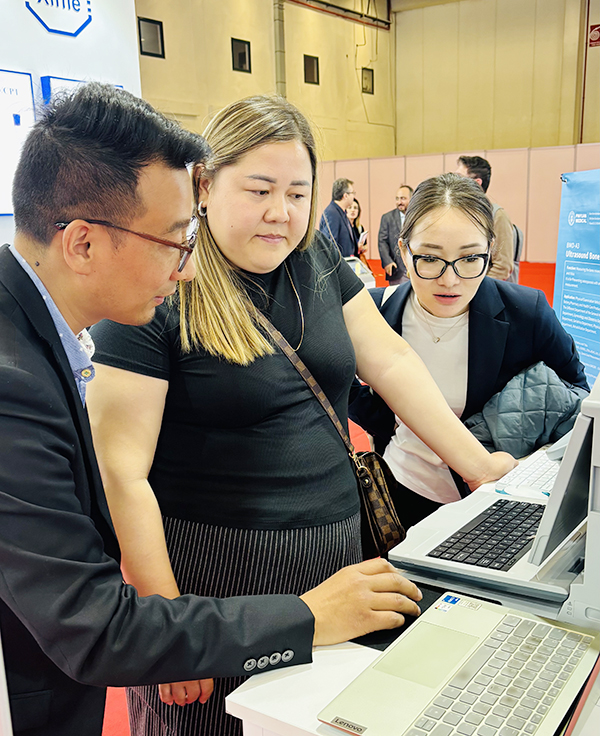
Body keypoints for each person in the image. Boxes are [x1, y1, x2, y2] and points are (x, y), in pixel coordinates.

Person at [0, 84, 425, 736]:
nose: (188, 268)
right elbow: (94, 625)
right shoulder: (15, 386)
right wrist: (309, 616)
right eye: (175, 240)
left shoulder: (34, 334)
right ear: (82, 244)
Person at [87, 96, 517, 736]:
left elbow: (390, 360)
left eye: (297, 193)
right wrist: (168, 623)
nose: (280, 213)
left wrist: (479, 466)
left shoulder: (315, 258)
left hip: (336, 559)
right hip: (217, 579)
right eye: (259, 190)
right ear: (205, 185)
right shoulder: (161, 285)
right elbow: (121, 472)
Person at [349, 173, 588, 528]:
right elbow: (339, 380)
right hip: (402, 490)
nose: (450, 280)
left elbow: (578, 398)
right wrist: (395, 422)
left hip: (494, 501)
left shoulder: (526, 312)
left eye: (470, 258)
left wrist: (527, 464)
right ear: (404, 250)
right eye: (430, 258)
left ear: (490, 250)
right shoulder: (374, 312)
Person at [455, 156, 516, 281]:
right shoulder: (458, 214)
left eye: (459, 177)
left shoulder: (497, 216)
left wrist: (476, 289)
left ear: (477, 183)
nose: (454, 181)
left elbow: (502, 267)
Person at [378, 185, 413, 285]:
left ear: (412, 198)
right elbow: (382, 242)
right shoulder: (387, 218)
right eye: (397, 198)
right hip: (396, 269)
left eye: (403, 198)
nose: (399, 202)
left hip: (414, 267)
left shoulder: (418, 217)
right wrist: (387, 262)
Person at [318, 177, 357, 257]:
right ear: (345, 196)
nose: (354, 196)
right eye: (352, 193)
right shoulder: (331, 213)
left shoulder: (341, 212)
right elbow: (329, 245)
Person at [346, 198, 370, 268]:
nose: (353, 210)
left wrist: (362, 248)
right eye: (350, 208)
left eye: (355, 208)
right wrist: (356, 247)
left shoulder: (359, 227)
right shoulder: (343, 228)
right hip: (347, 261)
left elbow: (365, 246)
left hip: (357, 261)